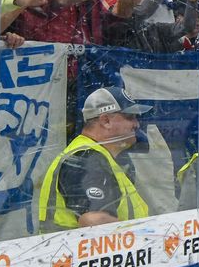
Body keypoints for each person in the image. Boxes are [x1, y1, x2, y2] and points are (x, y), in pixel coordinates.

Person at [35, 88, 151, 228]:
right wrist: (144, 236)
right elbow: (94, 221)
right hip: (75, 249)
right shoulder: (87, 159)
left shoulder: (93, 156)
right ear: (106, 120)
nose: (136, 124)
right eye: (130, 117)